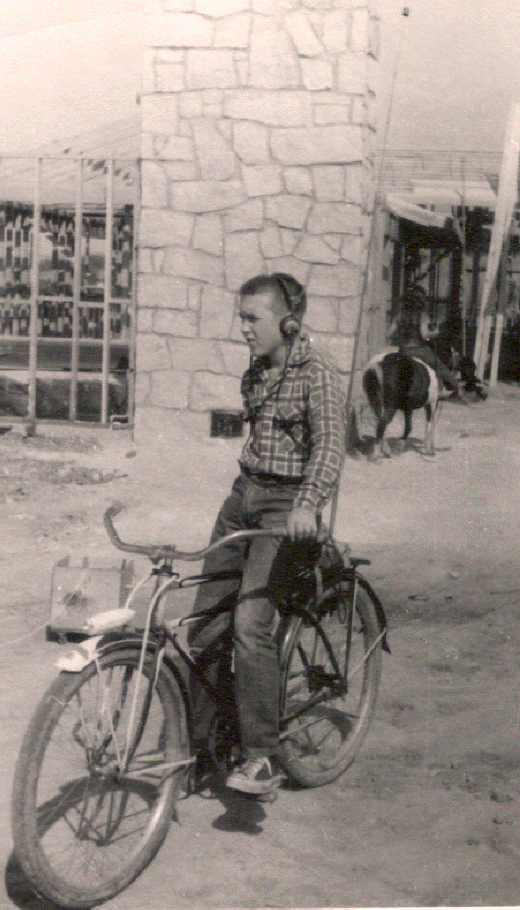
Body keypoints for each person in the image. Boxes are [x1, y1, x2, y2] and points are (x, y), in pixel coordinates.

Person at [188, 272, 345, 795]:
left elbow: (328, 448)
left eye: (252, 318)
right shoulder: (257, 371)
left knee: (251, 624)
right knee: (205, 621)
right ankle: (203, 746)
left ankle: (260, 756)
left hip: (286, 506)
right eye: (242, 317)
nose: (243, 329)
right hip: (244, 497)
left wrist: (307, 504)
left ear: (288, 320)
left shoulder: (317, 372)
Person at [388, 285, 463, 397]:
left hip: (403, 351)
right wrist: (436, 331)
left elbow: (388, 334)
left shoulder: (399, 316)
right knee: (440, 366)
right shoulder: (422, 316)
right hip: (420, 351)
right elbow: (424, 335)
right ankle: (456, 387)